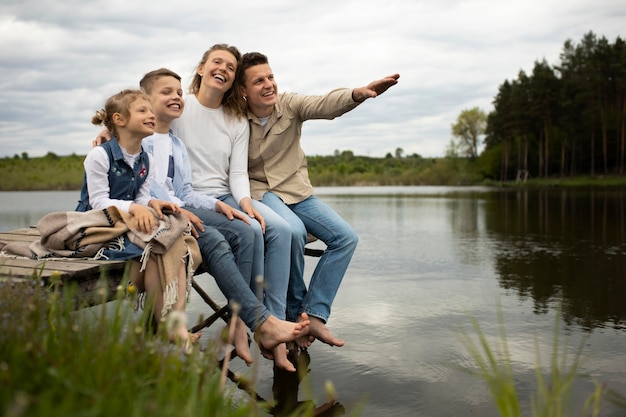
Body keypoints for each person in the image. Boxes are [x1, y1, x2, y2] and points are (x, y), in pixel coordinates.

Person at [138, 67, 308, 370]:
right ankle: (254, 322)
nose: (176, 97)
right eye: (167, 93)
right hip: (151, 216)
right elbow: (137, 188)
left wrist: (219, 205)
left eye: (178, 92)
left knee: (240, 230)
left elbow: (185, 191)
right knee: (223, 238)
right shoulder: (141, 139)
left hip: (182, 210)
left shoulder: (176, 144)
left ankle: (247, 322)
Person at [238, 51, 400, 348]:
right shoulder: (235, 119)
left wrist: (357, 94)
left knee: (346, 237)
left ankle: (314, 313)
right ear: (243, 90)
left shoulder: (289, 104)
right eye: (259, 80)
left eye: (270, 77)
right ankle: (293, 313)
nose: (269, 84)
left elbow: (324, 104)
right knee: (294, 232)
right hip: (262, 193)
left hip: (297, 192)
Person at [171, 44, 297, 367]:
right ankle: (244, 325)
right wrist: (108, 131)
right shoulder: (179, 108)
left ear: (232, 80)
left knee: (253, 225)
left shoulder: (235, 119)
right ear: (201, 68)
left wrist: (245, 203)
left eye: (230, 67)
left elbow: (237, 172)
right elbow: (143, 121)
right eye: (217, 62)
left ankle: (244, 322)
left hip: (223, 196)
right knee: (246, 231)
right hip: (185, 199)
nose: (224, 69)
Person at [76, 88, 199, 352]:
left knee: (170, 240)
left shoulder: (147, 158)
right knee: (156, 246)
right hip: (99, 222)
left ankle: (174, 323)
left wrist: (151, 203)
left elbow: (142, 196)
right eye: (143, 111)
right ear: (119, 120)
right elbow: (98, 201)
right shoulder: (100, 155)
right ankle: (167, 324)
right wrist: (135, 207)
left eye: (151, 111)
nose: (151, 115)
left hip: (129, 221)